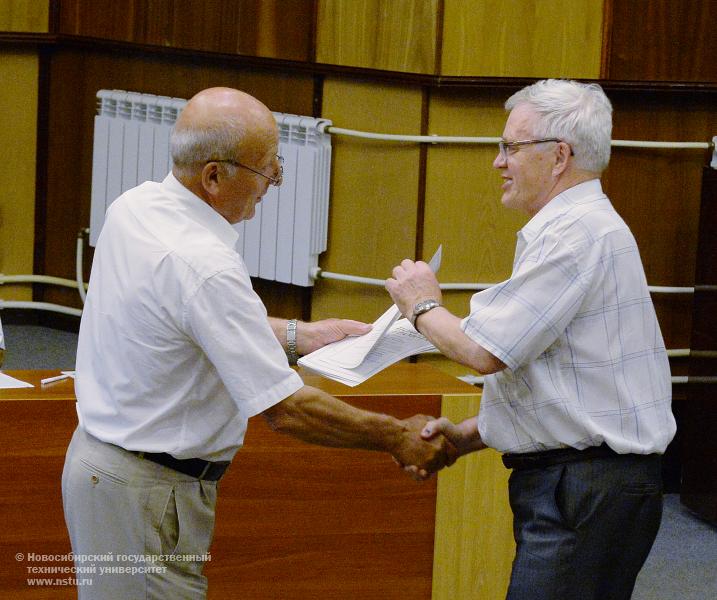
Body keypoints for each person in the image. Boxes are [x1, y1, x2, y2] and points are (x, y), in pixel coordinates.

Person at [62, 87, 456, 599]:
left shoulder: (135, 207)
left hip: (105, 472)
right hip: (145, 496)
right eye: (268, 170)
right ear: (213, 176)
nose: (274, 183)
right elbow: (287, 410)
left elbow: (189, 322)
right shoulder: (202, 262)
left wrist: (304, 335)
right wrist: (397, 436)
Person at [386, 79, 676, 600]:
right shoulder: (577, 228)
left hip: (584, 488)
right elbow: (563, 380)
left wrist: (419, 304)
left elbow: (485, 352)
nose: (499, 162)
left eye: (511, 148)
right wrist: (469, 436)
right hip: (590, 485)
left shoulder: (577, 232)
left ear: (559, 155)